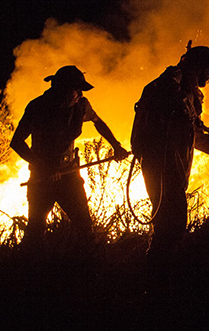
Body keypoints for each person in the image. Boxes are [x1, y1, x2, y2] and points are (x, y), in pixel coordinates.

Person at [131, 43, 209, 260]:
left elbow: (197, 136)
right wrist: (177, 83)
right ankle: (156, 279)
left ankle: (157, 277)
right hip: (161, 165)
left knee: (170, 227)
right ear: (201, 68)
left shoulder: (188, 94)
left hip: (175, 167)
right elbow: (165, 98)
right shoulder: (169, 84)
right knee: (171, 225)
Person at [10, 65, 129, 247]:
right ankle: (29, 269)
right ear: (62, 89)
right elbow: (16, 142)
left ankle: (83, 268)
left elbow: (98, 122)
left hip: (70, 176)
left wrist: (116, 146)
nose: (80, 94)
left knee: (84, 227)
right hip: (43, 179)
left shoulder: (80, 106)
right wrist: (43, 167)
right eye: (76, 89)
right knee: (35, 230)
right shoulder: (38, 108)